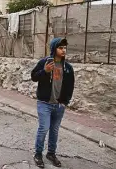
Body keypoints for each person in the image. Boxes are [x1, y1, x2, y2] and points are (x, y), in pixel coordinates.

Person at [31, 37, 75, 168]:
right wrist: (45, 71)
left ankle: (51, 153)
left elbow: (70, 86)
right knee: (44, 128)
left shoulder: (68, 67)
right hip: (44, 103)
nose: (63, 50)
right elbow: (33, 77)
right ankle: (38, 154)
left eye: (65, 48)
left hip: (59, 105)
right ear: (54, 49)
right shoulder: (45, 62)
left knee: (54, 130)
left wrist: (65, 102)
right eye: (60, 48)